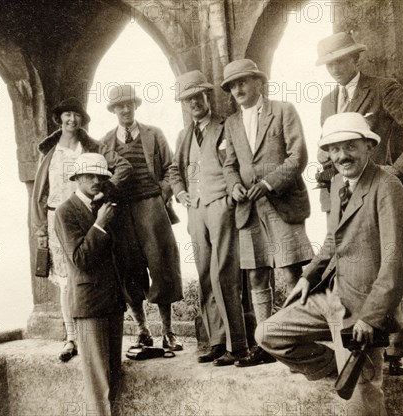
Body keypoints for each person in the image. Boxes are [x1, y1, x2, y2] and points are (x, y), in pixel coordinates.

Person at [260, 112, 403, 416]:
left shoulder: (387, 186)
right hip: (330, 296)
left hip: (364, 308)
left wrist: (371, 317)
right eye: (335, 149)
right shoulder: (338, 182)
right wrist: (307, 277)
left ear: (369, 146)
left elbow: (395, 263)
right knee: (267, 334)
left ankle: (360, 375)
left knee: (363, 404)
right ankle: (343, 370)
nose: (342, 156)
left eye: (350, 146)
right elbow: (333, 239)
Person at [315, 32, 403, 375]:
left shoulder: (383, 88)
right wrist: (326, 173)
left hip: (381, 192)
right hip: (346, 196)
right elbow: (331, 147)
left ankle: (397, 349)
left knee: (390, 259)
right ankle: (360, 341)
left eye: (342, 60)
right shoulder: (327, 101)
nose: (336, 68)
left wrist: (398, 172)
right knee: (355, 264)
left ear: (357, 59)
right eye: (329, 63)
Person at [221, 59, 313, 367]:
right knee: (258, 274)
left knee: (289, 271)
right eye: (233, 86)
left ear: (259, 82)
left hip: (282, 203)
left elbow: (298, 155)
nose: (239, 89)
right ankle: (265, 343)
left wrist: (269, 183)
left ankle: (295, 337)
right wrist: (234, 186)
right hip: (248, 207)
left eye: (244, 82)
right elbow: (229, 165)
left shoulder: (283, 110)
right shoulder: (231, 123)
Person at [31, 97, 131, 362]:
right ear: (59, 119)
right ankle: (71, 337)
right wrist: (40, 227)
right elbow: (40, 192)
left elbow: (121, 167)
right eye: (67, 115)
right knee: (65, 281)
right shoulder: (48, 151)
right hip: (56, 218)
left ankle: (90, 333)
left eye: (77, 115)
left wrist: (104, 194)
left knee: (86, 269)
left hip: (85, 215)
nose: (72, 120)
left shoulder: (91, 147)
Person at [168, 70, 248, 365]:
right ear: (185, 104)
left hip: (221, 206)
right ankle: (216, 340)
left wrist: (229, 197)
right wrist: (180, 193)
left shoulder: (225, 126)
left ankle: (237, 344)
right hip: (196, 211)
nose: (194, 103)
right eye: (188, 99)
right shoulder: (183, 135)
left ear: (207, 97)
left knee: (223, 273)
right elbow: (174, 171)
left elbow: (234, 163)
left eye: (198, 97)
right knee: (204, 275)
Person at [100, 84, 184, 351]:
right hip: (122, 213)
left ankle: (168, 332)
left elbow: (171, 167)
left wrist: (163, 192)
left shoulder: (154, 134)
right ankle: (142, 330)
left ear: (135, 106)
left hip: (152, 207)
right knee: (129, 270)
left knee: (162, 266)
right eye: (119, 106)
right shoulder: (106, 142)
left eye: (129, 105)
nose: (125, 110)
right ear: (114, 110)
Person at [55, 152, 126, 416]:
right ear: (77, 178)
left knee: (113, 378)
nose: (97, 180)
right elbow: (80, 258)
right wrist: (99, 225)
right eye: (91, 175)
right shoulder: (65, 212)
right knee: (98, 386)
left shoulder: (104, 206)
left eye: (101, 176)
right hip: (88, 306)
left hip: (112, 302)